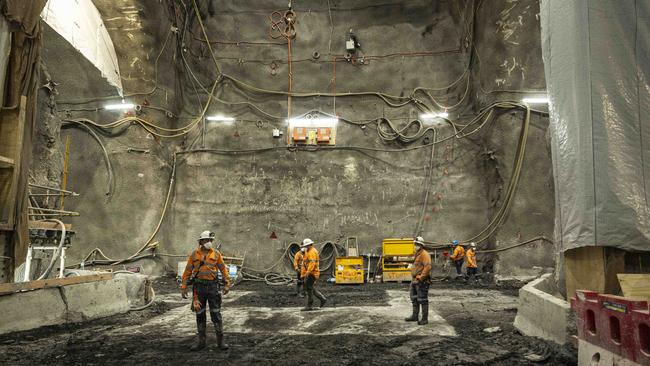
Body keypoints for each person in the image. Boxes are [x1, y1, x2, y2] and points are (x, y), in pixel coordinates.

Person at [181, 230, 231, 351]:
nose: (209, 242)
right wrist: (183, 287)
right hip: (199, 288)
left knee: (216, 313)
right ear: (201, 241)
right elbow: (187, 271)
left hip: (213, 287)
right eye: (207, 240)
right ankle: (201, 342)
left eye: (210, 240)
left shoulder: (216, 254)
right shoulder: (194, 255)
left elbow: (223, 269)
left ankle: (220, 341)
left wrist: (227, 284)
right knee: (200, 314)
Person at [405, 236, 432, 325]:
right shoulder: (417, 253)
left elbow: (427, 267)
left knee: (423, 300)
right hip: (414, 280)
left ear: (421, 245)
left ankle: (424, 319)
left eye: (417, 244)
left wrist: (421, 278)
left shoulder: (425, 254)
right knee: (414, 299)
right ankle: (415, 316)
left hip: (421, 281)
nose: (415, 246)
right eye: (415, 244)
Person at [300, 238, 327, 311]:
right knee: (311, 288)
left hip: (312, 273)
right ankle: (322, 299)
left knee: (309, 289)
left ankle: (309, 305)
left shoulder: (312, 252)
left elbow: (312, 264)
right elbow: (306, 261)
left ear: (309, 245)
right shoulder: (309, 251)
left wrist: (307, 273)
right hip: (311, 272)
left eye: (306, 246)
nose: (304, 247)